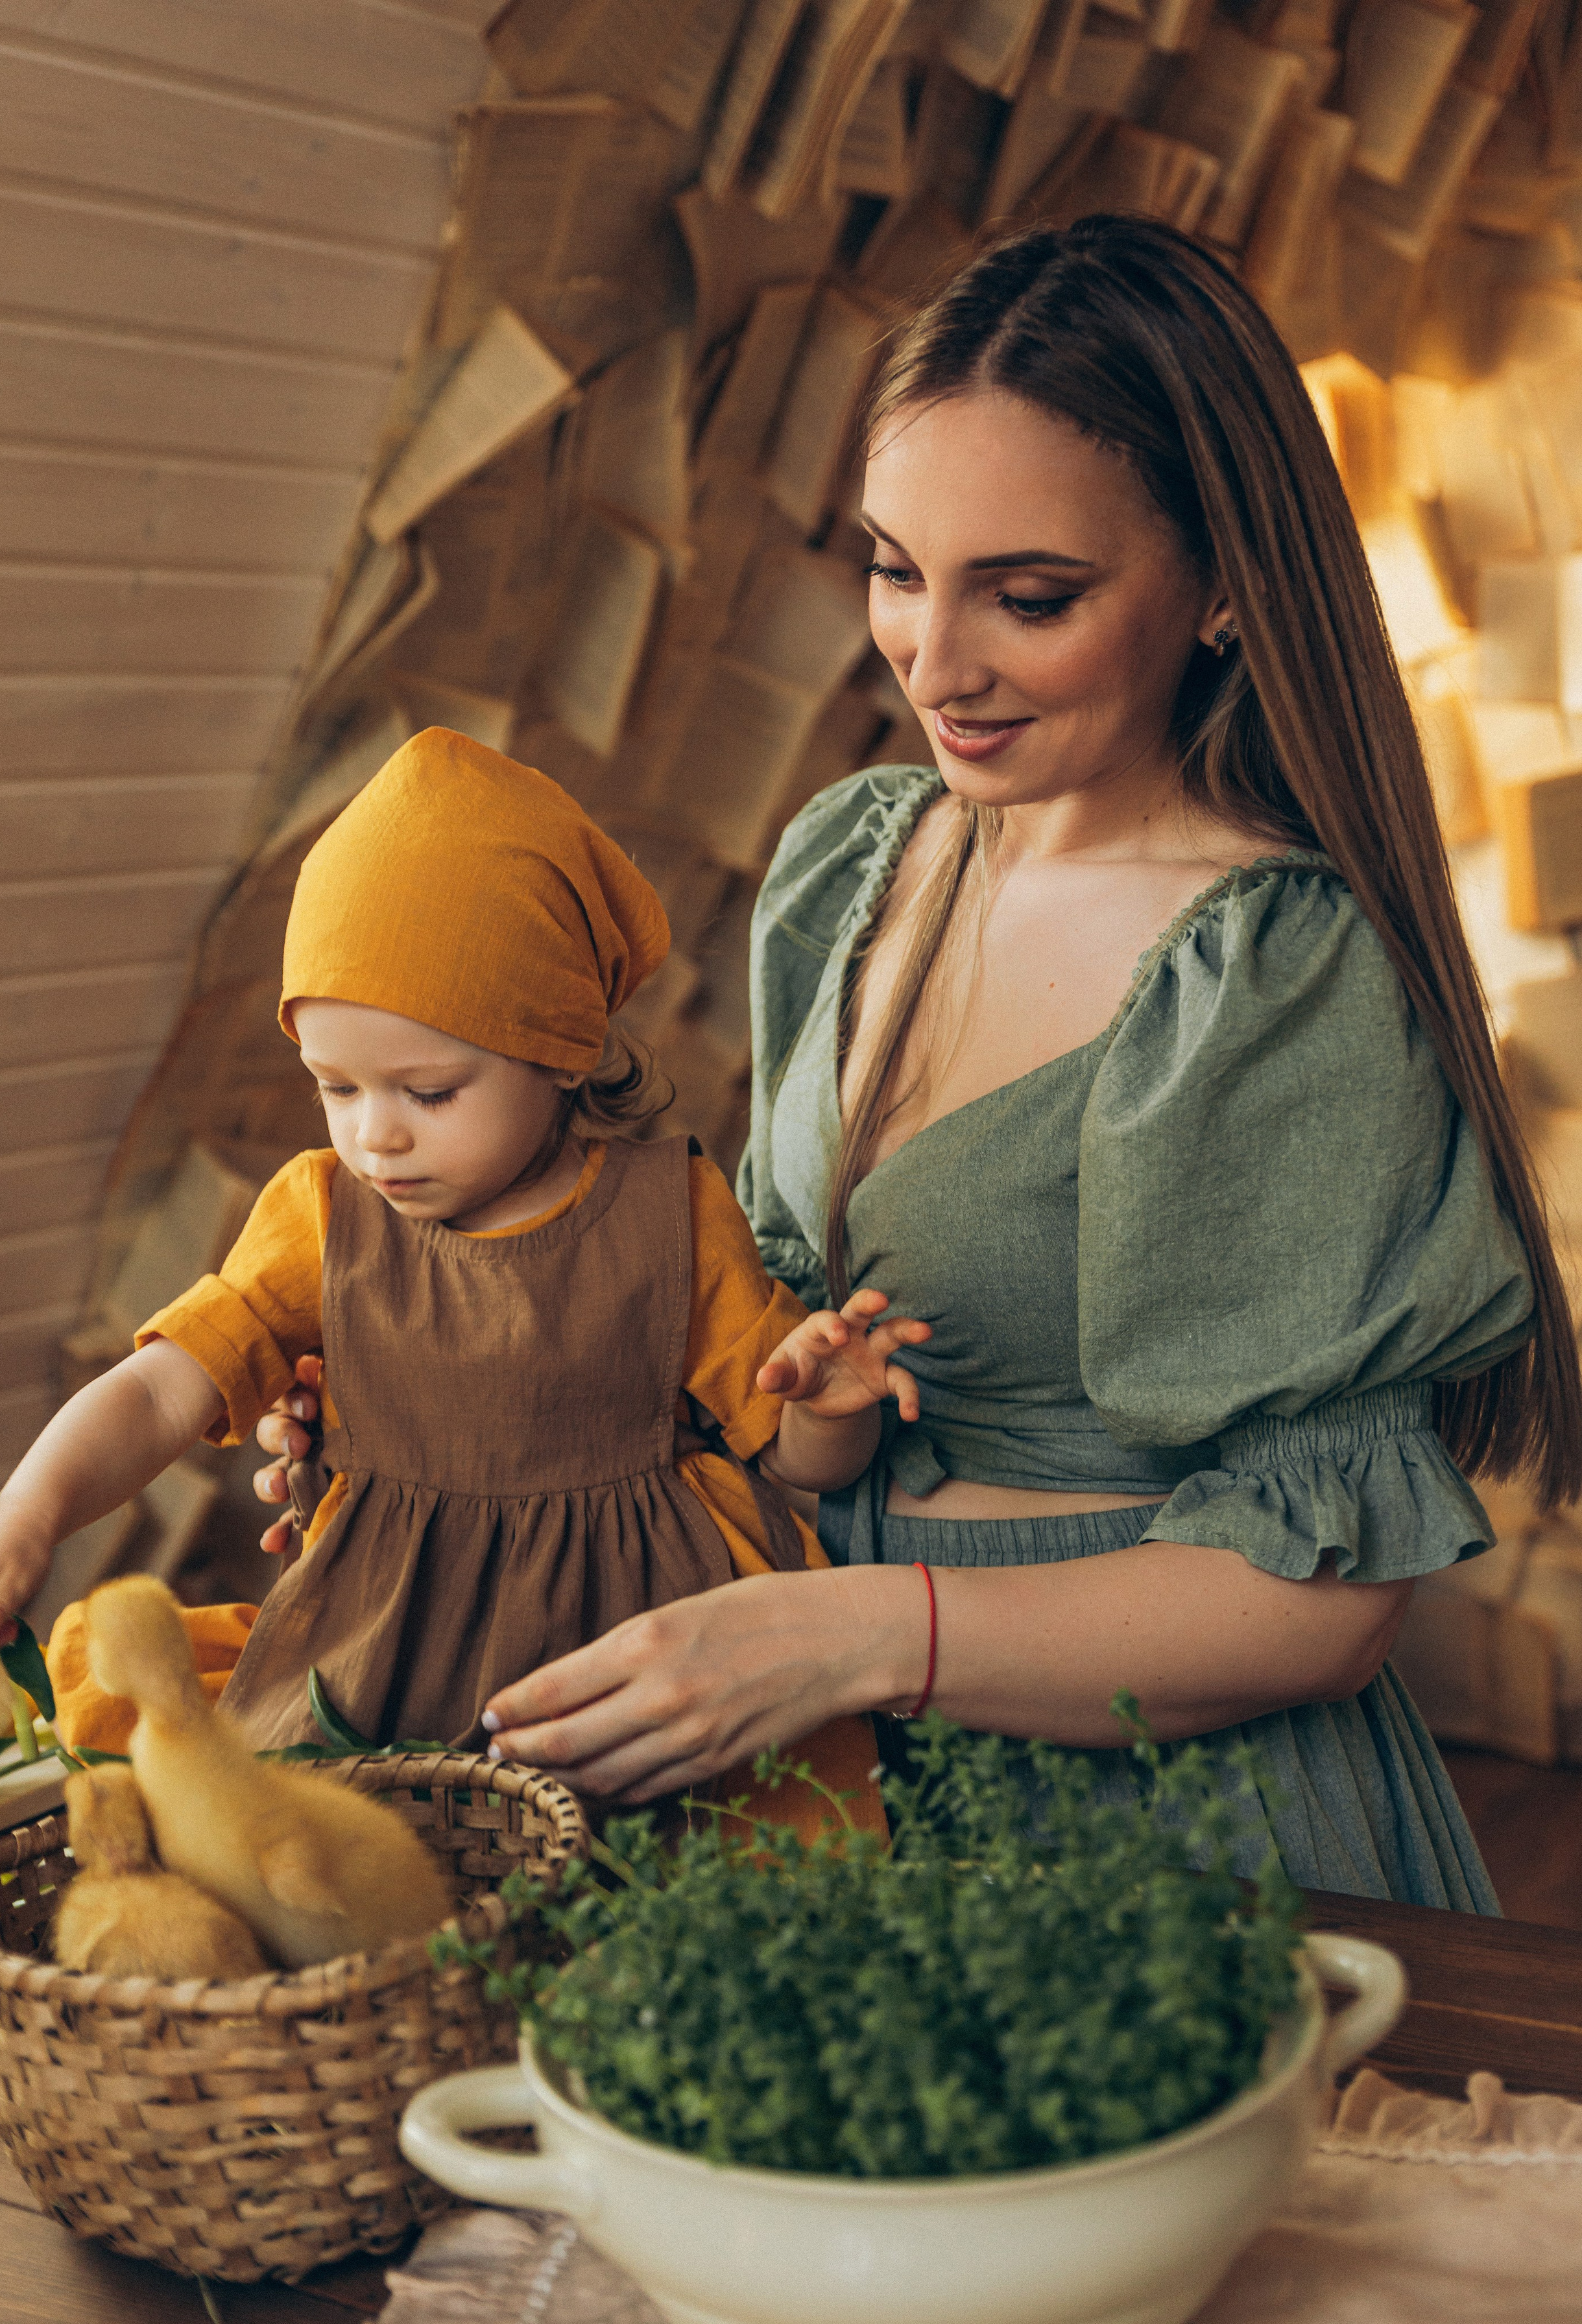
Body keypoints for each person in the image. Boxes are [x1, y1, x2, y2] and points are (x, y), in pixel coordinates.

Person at [273, 217, 1575, 1909]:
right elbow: (742, 1348)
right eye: (896, 568)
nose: (934, 663)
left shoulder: (1275, 973)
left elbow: (1316, 1608)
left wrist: (856, 1633)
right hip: (821, 1789)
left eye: (1028, 598)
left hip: (1166, 1836)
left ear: (1225, 586)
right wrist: (439, 1418)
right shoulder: (854, 861)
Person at [0, 733, 925, 1826]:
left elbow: (792, 1456)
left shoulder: (671, 1217)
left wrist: (832, 1410)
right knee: (325, 1856)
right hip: (380, 1666)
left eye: (429, 1092)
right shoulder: (321, 1217)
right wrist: (23, 1519)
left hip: (631, 1667)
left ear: (566, 1052)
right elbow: (160, 1389)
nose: (375, 1137)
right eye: (336, 1088)